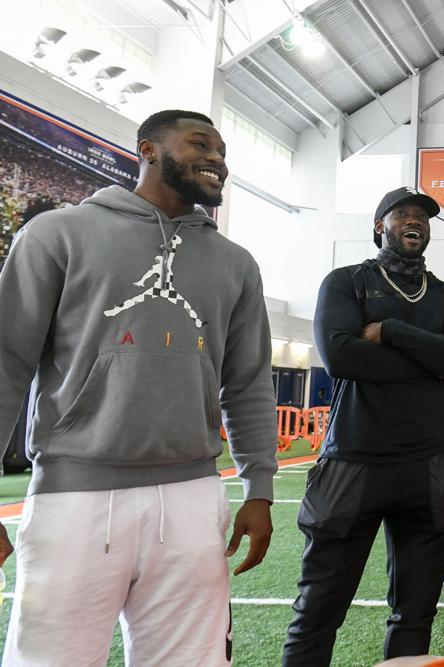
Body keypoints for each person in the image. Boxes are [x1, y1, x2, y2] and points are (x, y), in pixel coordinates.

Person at [0, 109, 278, 665]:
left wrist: (261, 487)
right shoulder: (60, 232)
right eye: (201, 143)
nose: (217, 159)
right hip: (74, 494)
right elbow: (7, 360)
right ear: (148, 149)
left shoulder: (236, 263)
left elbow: (248, 384)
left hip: (194, 496)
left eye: (223, 151)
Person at [283, 187, 444, 664]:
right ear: (380, 227)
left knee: (416, 613)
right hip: (355, 460)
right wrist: (434, 360)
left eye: (422, 216)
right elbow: (340, 357)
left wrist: (392, 334)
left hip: (430, 464)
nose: (414, 221)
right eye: (402, 215)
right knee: (319, 608)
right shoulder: (346, 282)